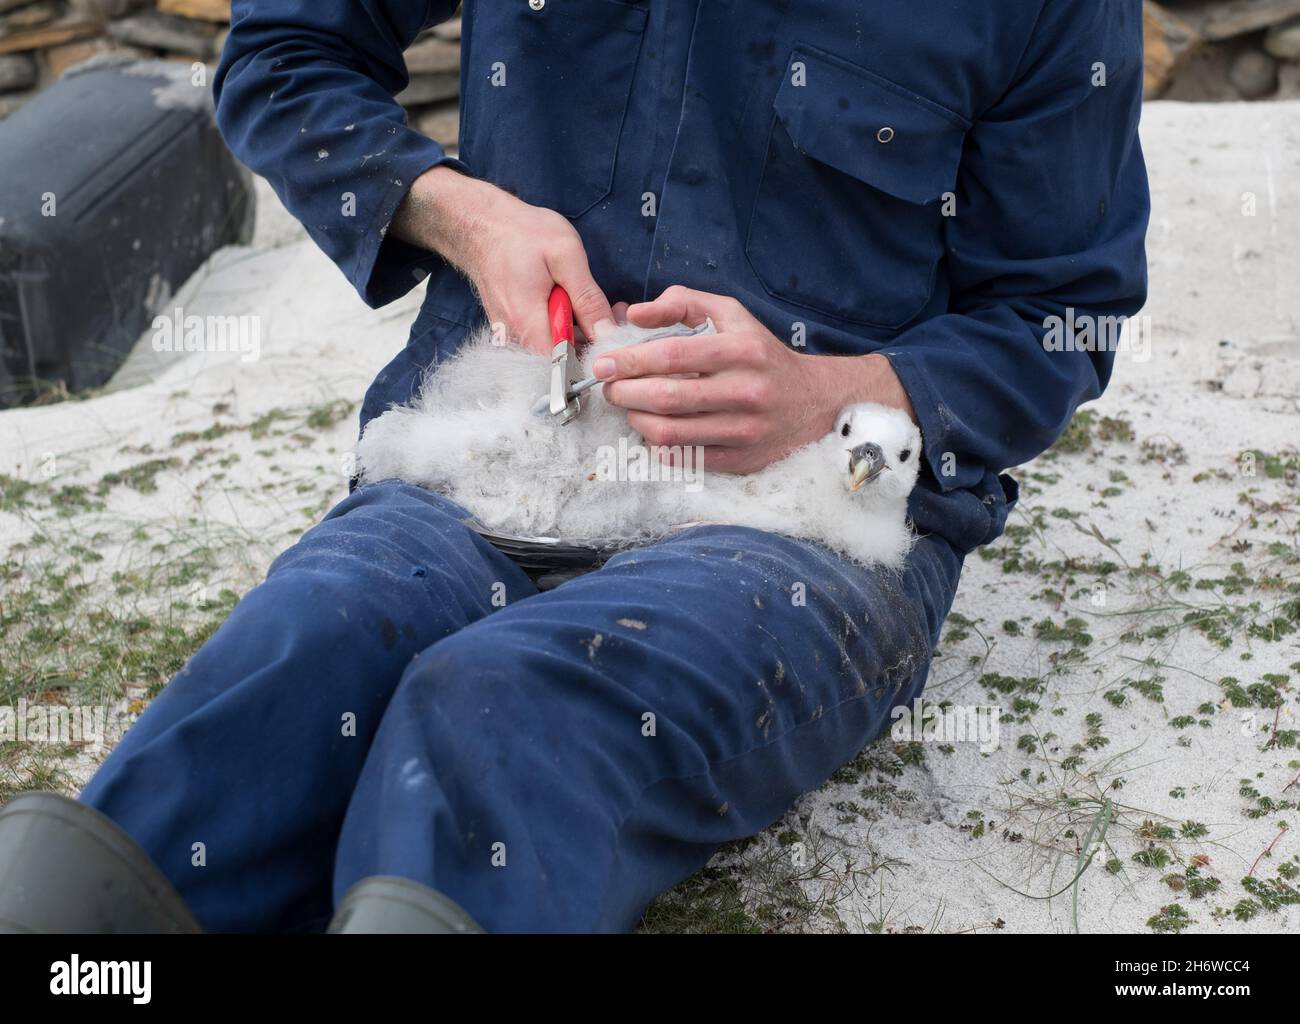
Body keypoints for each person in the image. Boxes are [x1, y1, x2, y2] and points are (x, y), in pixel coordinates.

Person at [0, 0, 1148, 933]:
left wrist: (824, 393)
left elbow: (1064, 311)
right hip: (489, 445)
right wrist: (460, 214)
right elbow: (281, 50)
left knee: (499, 709)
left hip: (807, 511)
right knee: (300, 653)